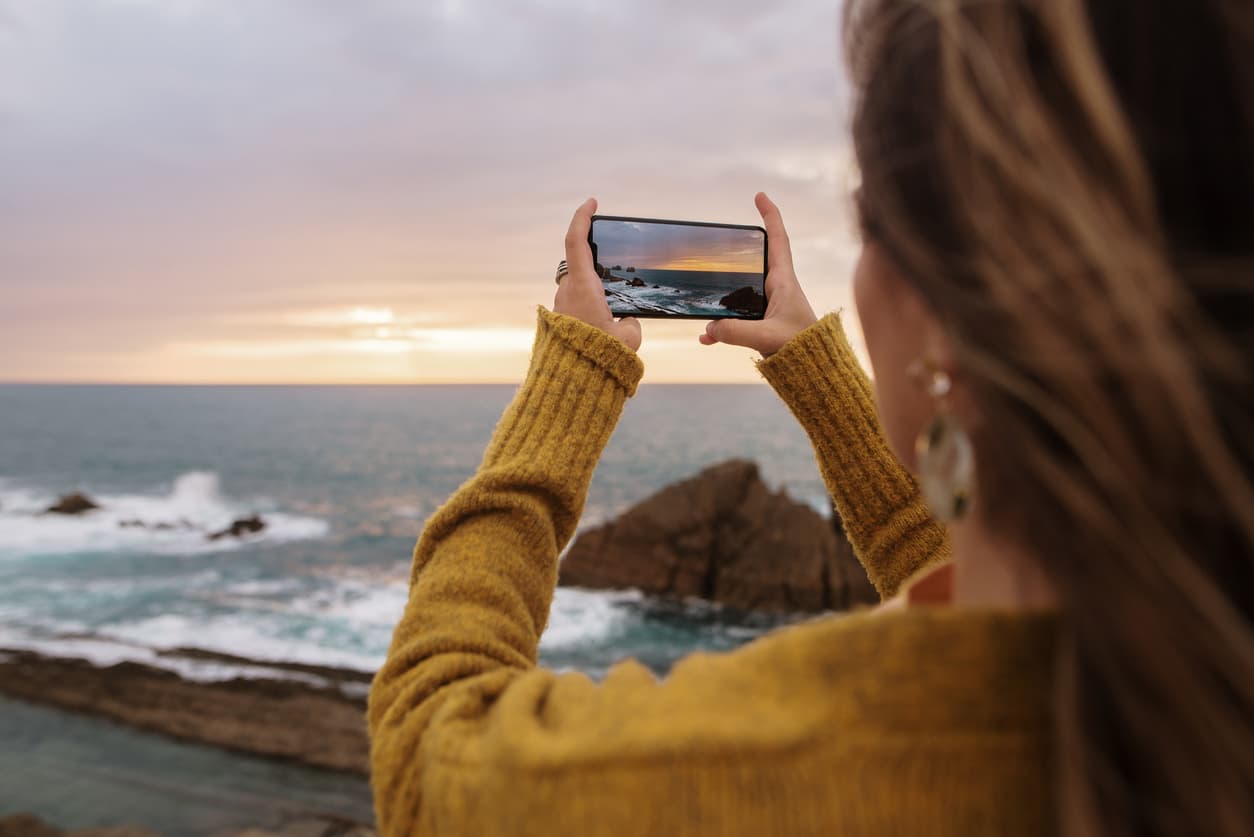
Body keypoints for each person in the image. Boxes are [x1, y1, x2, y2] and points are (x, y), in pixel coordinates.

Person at [368, 0, 1253, 834]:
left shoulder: (810, 765)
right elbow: (944, 553)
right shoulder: (1196, 674)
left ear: (942, 307)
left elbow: (430, 748)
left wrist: (574, 372)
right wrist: (814, 366)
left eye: (872, 225)